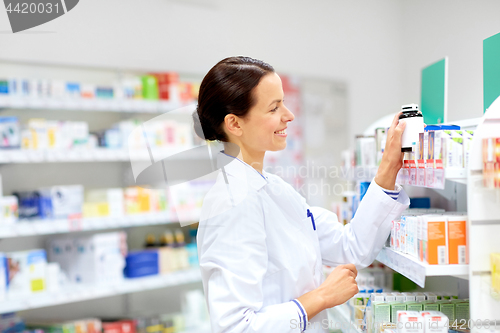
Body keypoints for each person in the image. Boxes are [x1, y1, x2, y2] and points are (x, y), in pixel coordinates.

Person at [192, 56, 410, 333]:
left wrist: (389, 168)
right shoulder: (232, 204)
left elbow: (351, 247)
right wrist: (320, 297)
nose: (289, 115)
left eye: (283, 102)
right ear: (235, 124)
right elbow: (235, 328)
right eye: (274, 108)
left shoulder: (274, 189)